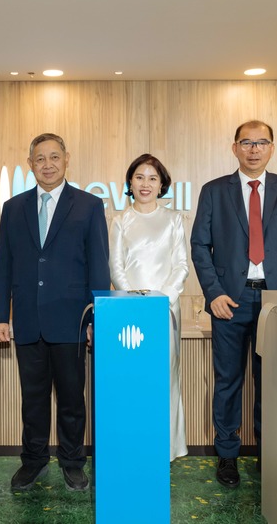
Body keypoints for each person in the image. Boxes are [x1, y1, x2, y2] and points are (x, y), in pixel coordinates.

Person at [190, 120, 277, 488]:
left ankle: (268, 452)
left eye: (261, 142)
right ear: (235, 148)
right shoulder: (214, 191)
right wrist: (213, 293)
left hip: (276, 302)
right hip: (230, 300)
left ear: (272, 148)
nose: (254, 149)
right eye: (246, 142)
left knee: (271, 381)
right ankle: (227, 455)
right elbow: (200, 245)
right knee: (228, 381)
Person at [0, 132, 110, 492]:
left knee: (72, 399)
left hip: (72, 321)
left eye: (54, 157)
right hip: (28, 320)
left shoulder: (89, 205)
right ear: (30, 164)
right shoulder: (14, 208)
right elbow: (4, 265)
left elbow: (98, 267)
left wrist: (95, 318)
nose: (47, 164)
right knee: (33, 399)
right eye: (40, 158)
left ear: (66, 159)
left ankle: (72, 462)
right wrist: (0, 315)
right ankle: (34, 461)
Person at [108, 153, 189, 462]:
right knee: (132, 379)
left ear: (162, 184)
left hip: (165, 311)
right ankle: (134, 445)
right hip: (129, 313)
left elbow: (181, 266)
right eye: (139, 177)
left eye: (152, 178)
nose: (146, 184)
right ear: (130, 182)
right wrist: (135, 303)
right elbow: (116, 269)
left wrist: (160, 301)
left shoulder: (174, 220)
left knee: (164, 378)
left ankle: (165, 448)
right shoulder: (120, 220)